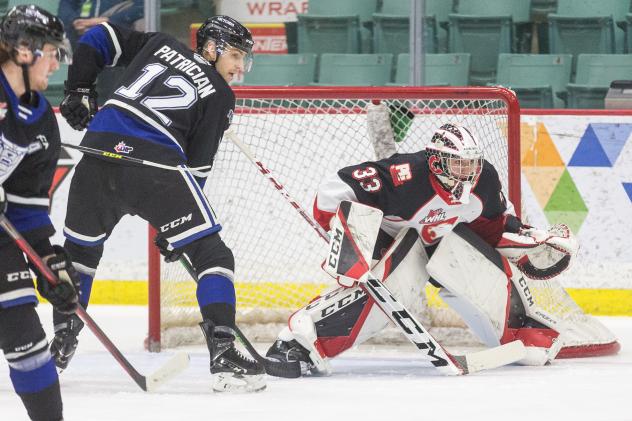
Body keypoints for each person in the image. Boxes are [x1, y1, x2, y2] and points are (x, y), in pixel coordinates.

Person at [266, 119, 579, 375]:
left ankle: (519, 328)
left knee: (475, 264)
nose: (467, 172)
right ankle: (300, 341)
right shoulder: (402, 177)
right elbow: (330, 196)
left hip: (445, 245)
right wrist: (354, 241)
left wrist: (528, 241)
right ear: (435, 161)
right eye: (457, 164)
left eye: (471, 163)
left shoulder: (484, 181)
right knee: (392, 288)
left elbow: (492, 229)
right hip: (397, 242)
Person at [57, 15, 266, 392]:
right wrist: (175, 232)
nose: (239, 68)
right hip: (154, 166)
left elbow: (100, 35)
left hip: (96, 154)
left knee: (79, 256)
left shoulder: (158, 44)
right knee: (213, 256)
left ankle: (61, 339)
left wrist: (79, 88)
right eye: (235, 55)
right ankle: (223, 351)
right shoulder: (219, 93)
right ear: (211, 47)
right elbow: (196, 169)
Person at [0, 5, 79, 420]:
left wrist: (47, 259)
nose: (56, 63)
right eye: (51, 52)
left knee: (24, 335)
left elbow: (26, 204)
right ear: (24, 51)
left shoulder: (41, 121)